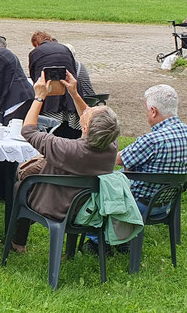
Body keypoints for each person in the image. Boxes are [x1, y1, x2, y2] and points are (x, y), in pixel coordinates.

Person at [9, 70, 121, 253]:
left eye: (91, 112)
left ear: (84, 127)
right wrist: (74, 93)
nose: (88, 110)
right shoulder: (111, 146)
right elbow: (90, 118)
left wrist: (39, 97)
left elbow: (28, 131)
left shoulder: (67, 148)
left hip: (55, 207)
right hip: (87, 209)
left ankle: (17, 243)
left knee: (20, 186)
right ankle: (67, 250)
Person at [84, 84, 187, 251]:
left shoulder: (153, 140)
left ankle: (99, 240)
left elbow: (117, 159)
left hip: (138, 203)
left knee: (97, 185)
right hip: (165, 201)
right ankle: (121, 238)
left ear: (153, 111)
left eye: (146, 110)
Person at [28, 30, 77, 113]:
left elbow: (34, 76)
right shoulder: (65, 48)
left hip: (49, 99)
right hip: (71, 96)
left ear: (36, 43)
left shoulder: (35, 52)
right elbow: (73, 70)